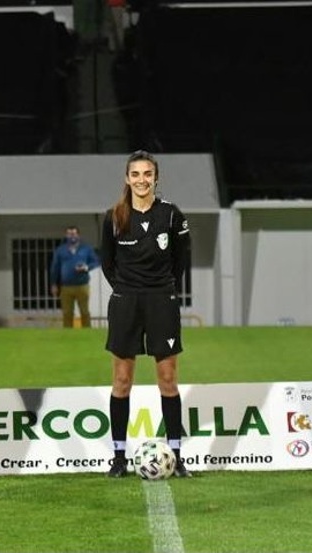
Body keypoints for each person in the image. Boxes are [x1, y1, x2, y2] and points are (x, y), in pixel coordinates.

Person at [100, 150, 193, 479]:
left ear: (156, 178)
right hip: (125, 302)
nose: (142, 180)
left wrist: (161, 289)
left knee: (168, 380)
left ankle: (177, 455)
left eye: (147, 174)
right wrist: (127, 289)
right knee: (122, 381)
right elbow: (107, 263)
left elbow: (181, 261)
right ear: (127, 178)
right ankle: (119, 457)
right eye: (136, 174)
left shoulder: (171, 215)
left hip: (161, 302)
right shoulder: (114, 216)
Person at [49, 225, 101, 328]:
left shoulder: (86, 249)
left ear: (78, 235)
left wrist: (86, 267)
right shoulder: (60, 250)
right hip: (66, 287)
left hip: (82, 286)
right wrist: (53, 284)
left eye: (74, 233)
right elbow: (55, 267)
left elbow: (96, 262)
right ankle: (68, 335)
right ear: (66, 235)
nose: (72, 236)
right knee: (67, 313)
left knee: (85, 312)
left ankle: (87, 333)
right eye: (69, 234)